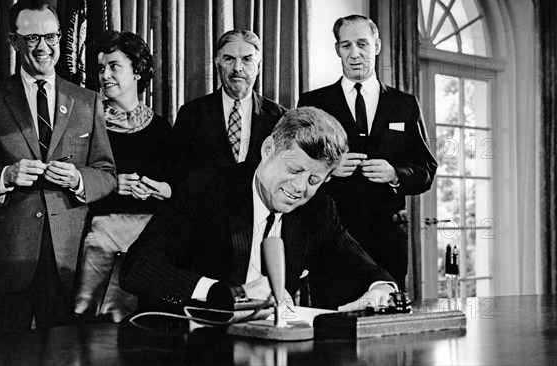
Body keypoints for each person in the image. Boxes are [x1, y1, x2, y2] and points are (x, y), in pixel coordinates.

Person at [120, 107, 396, 312]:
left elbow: (364, 268)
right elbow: (137, 268)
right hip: (187, 343)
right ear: (268, 150)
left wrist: (381, 289)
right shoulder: (207, 188)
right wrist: (226, 293)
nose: (300, 187)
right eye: (294, 169)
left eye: (314, 180)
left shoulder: (318, 209)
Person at [0, 0, 116, 335]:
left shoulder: (87, 101)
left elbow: (107, 174)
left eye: (51, 37)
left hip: (67, 263)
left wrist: (78, 179)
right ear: (13, 42)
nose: (44, 47)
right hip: (4, 263)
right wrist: (6, 176)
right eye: (32, 38)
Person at [298, 14, 437, 290]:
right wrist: (329, 169)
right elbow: (295, 164)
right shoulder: (313, 102)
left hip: (388, 238)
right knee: (332, 321)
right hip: (330, 235)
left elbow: (426, 169)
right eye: (346, 45)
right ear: (338, 49)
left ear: (377, 45)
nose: (354, 53)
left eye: (362, 44)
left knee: (385, 318)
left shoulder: (404, 104)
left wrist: (395, 174)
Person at [74, 31, 174, 321]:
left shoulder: (160, 128)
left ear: (138, 71)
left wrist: (159, 189)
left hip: (149, 244)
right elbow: (73, 186)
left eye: (114, 66)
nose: (105, 75)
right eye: (101, 68)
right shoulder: (86, 123)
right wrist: (112, 185)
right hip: (97, 241)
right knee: (87, 324)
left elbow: (177, 189)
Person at [172, 30, 286, 181]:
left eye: (246, 60)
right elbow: (177, 174)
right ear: (217, 64)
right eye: (229, 59)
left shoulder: (279, 117)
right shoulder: (191, 114)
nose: (237, 68)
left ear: (258, 67)